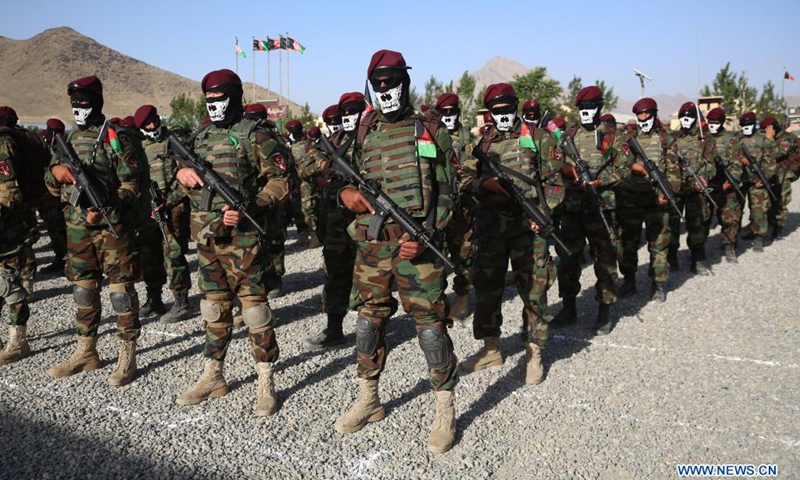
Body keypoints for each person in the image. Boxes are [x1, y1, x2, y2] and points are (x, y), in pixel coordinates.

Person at [335, 50, 458, 453]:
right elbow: (346, 178)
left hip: (416, 244)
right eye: (379, 84)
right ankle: (369, 399)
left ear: (406, 83)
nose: (386, 90)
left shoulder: (429, 129)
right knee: (367, 322)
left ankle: (444, 408)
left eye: (393, 82)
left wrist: (428, 233)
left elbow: (448, 190)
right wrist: (345, 194)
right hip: (372, 244)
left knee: (430, 327)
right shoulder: (364, 130)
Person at [173, 69, 289, 416]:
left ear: (235, 98)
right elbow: (180, 177)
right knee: (213, 309)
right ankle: (214, 375)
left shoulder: (255, 135)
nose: (214, 105)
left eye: (220, 99)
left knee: (254, 312)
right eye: (208, 100)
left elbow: (281, 181)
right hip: (208, 238)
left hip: (245, 241)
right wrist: (181, 174)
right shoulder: (200, 137)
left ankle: (265, 381)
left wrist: (253, 205)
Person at [458, 84, 564, 384]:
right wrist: (484, 185)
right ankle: (491, 349)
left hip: (529, 230)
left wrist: (544, 212)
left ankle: (534, 353)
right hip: (491, 229)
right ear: (489, 112)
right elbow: (462, 179)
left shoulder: (538, 137)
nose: (503, 115)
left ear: (516, 107)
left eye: (507, 109)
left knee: (534, 291)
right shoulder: (481, 143)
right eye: (497, 111)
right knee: (487, 290)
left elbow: (555, 182)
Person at [45, 76, 144, 386]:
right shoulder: (68, 139)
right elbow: (50, 183)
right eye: (74, 104)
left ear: (97, 103)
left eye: (85, 104)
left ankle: (127, 355)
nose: (79, 109)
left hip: (112, 230)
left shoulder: (115, 137)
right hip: (77, 230)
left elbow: (133, 185)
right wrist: (56, 172)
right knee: (84, 291)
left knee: (121, 295)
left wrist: (109, 201)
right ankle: (86, 351)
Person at [551, 86, 631, 335]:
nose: (587, 112)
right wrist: (566, 169)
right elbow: (553, 162)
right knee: (568, 260)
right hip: (572, 209)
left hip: (601, 208)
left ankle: (605, 310)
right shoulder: (568, 135)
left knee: (605, 260)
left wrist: (602, 181)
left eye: (591, 107)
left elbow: (625, 169)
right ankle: (568, 307)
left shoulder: (612, 137)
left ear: (599, 108)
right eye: (583, 108)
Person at [302, 92, 367, 348]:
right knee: (336, 272)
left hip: (366, 217)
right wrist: (325, 168)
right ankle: (334, 328)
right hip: (336, 219)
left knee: (369, 274)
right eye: (345, 113)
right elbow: (304, 167)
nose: (350, 117)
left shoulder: (370, 139)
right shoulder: (331, 143)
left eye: (355, 111)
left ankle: (370, 328)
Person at [132, 105, 193, 323]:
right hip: (148, 210)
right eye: (147, 124)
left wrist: (168, 201)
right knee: (149, 255)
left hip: (172, 209)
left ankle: (181, 302)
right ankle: (154, 299)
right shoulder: (139, 147)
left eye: (154, 120)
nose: (152, 125)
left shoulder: (174, 142)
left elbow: (186, 176)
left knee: (173, 253)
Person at [617, 98, 680, 302]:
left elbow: (674, 171)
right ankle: (629, 281)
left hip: (656, 201)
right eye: (640, 115)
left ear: (654, 114)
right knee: (629, 243)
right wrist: (633, 167)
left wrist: (667, 193)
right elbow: (618, 164)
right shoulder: (628, 139)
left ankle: (658, 284)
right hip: (631, 199)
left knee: (659, 243)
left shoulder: (665, 139)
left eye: (647, 114)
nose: (643, 118)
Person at [434, 92, 476, 323]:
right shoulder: (429, 136)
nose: (448, 116)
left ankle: (462, 297)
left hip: (461, 207)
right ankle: (437, 299)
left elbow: (471, 168)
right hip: (436, 208)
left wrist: (453, 188)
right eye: (444, 112)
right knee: (435, 254)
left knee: (463, 254)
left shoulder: (467, 137)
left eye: (452, 112)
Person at [0, 106, 34, 365]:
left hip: (8, 225)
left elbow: (10, 192)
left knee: (9, 282)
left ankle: (18, 342)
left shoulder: (3, 142)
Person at [668, 102, 715, 274]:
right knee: (672, 224)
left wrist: (704, 176)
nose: (686, 120)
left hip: (696, 190)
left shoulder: (704, 139)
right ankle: (671, 259)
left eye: (690, 117)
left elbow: (712, 165)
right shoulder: (672, 138)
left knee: (697, 226)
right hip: (676, 190)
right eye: (683, 117)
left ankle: (697, 259)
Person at [705, 107, 743, 263]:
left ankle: (729, 246)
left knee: (730, 217)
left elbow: (737, 163)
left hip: (726, 183)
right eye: (710, 121)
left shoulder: (730, 139)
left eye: (716, 122)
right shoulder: (703, 138)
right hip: (707, 183)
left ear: (721, 122)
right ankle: (698, 251)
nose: (712, 124)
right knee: (703, 218)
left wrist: (731, 181)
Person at [38, 119, 69, 275]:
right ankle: (61, 259)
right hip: (49, 193)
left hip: (56, 194)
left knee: (60, 229)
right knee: (55, 228)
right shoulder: (44, 143)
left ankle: (65, 261)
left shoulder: (60, 145)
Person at [738, 112, 773, 251]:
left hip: (757, 180)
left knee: (758, 210)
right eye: (744, 124)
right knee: (735, 210)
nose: (746, 127)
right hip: (740, 180)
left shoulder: (762, 139)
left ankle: (758, 237)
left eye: (749, 124)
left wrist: (764, 178)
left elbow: (771, 161)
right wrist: (739, 158)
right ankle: (731, 238)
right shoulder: (737, 140)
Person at [285, 120, 321, 249]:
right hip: (295, 182)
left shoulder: (309, 144)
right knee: (296, 208)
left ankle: (315, 236)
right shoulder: (291, 146)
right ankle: (303, 235)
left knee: (308, 208)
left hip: (306, 182)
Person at [761, 116, 797, 241]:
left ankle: (778, 228)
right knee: (765, 201)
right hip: (768, 174)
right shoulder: (768, 137)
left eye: (766, 129)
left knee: (780, 202)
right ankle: (765, 225)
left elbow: (777, 153)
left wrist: (769, 139)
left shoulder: (787, 138)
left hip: (782, 175)